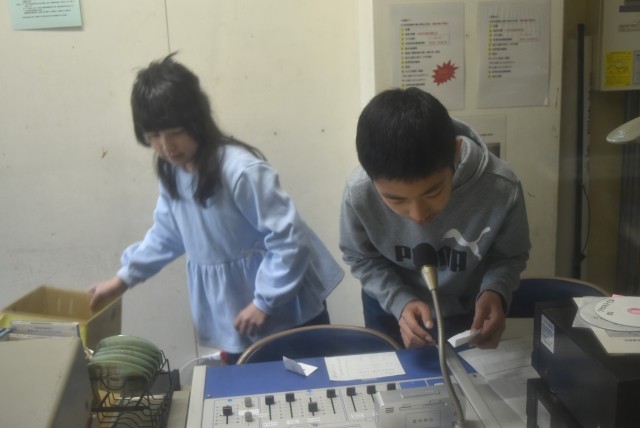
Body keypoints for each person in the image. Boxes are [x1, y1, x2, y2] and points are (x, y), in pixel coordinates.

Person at [89, 54, 343, 363]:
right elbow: (167, 235)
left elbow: (290, 239)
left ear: (197, 121)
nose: (166, 146)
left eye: (175, 132)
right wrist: (122, 280)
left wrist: (264, 302)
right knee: (247, 385)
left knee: (307, 383)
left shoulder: (241, 171)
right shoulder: (173, 172)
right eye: (154, 136)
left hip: (287, 309)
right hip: (238, 313)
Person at [339, 87, 530, 350]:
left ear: (455, 153)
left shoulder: (500, 187)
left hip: (467, 308)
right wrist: (399, 301)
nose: (418, 215)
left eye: (433, 192)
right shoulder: (359, 192)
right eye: (396, 200)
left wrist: (495, 290)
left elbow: (509, 255)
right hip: (389, 308)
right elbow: (360, 257)